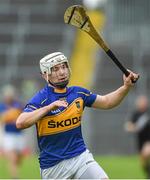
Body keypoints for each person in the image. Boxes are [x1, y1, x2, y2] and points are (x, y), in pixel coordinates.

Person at [16, 52, 139, 179]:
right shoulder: (40, 99)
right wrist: (48, 107)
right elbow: (20, 122)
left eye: (64, 67)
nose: (62, 72)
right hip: (53, 167)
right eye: (55, 69)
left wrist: (126, 87)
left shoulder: (78, 93)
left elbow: (107, 102)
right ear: (45, 75)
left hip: (80, 157)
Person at [0, 85, 25, 179]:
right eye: (7, 95)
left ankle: (14, 167)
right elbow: (2, 119)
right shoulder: (2, 106)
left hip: (19, 134)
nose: (8, 97)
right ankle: (15, 177)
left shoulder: (18, 105)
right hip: (8, 135)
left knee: (19, 158)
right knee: (13, 158)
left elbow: (23, 116)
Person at [125, 95, 150, 178]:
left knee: (146, 153)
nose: (142, 104)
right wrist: (134, 128)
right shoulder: (135, 114)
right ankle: (148, 174)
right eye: (140, 102)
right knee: (142, 161)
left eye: (144, 102)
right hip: (140, 140)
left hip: (148, 140)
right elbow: (128, 125)